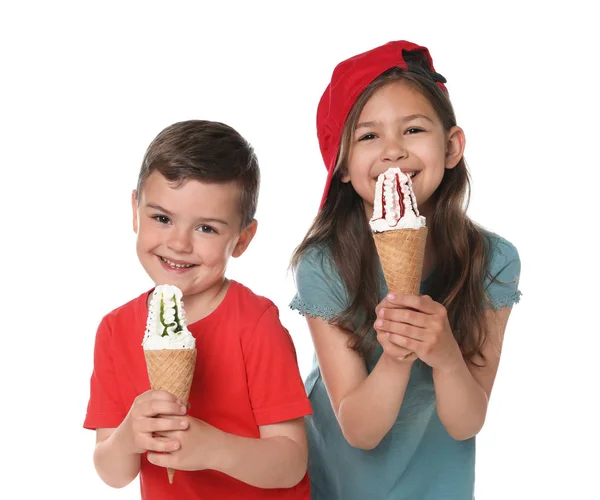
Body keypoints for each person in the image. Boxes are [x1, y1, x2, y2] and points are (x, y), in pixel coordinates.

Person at [290, 40, 521, 499]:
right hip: (337, 482)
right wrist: (398, 354)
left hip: (436, 484)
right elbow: (360, 429)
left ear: (452, 146)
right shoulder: (324, 264)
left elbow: (467, 421)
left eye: (413, 129)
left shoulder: (493, 261)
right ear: (341, 165)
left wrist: (445, 354)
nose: (392, 151)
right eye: (368, 136)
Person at [84, 120, 312, 499]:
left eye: (206, 228)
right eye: (161, 218)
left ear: (241, 239)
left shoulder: (255, 324)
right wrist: (128, 437)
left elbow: (291, 463)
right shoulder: (115, 329)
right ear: (135, 211)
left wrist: (213, 449)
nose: (179, 243)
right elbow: (112, 472)